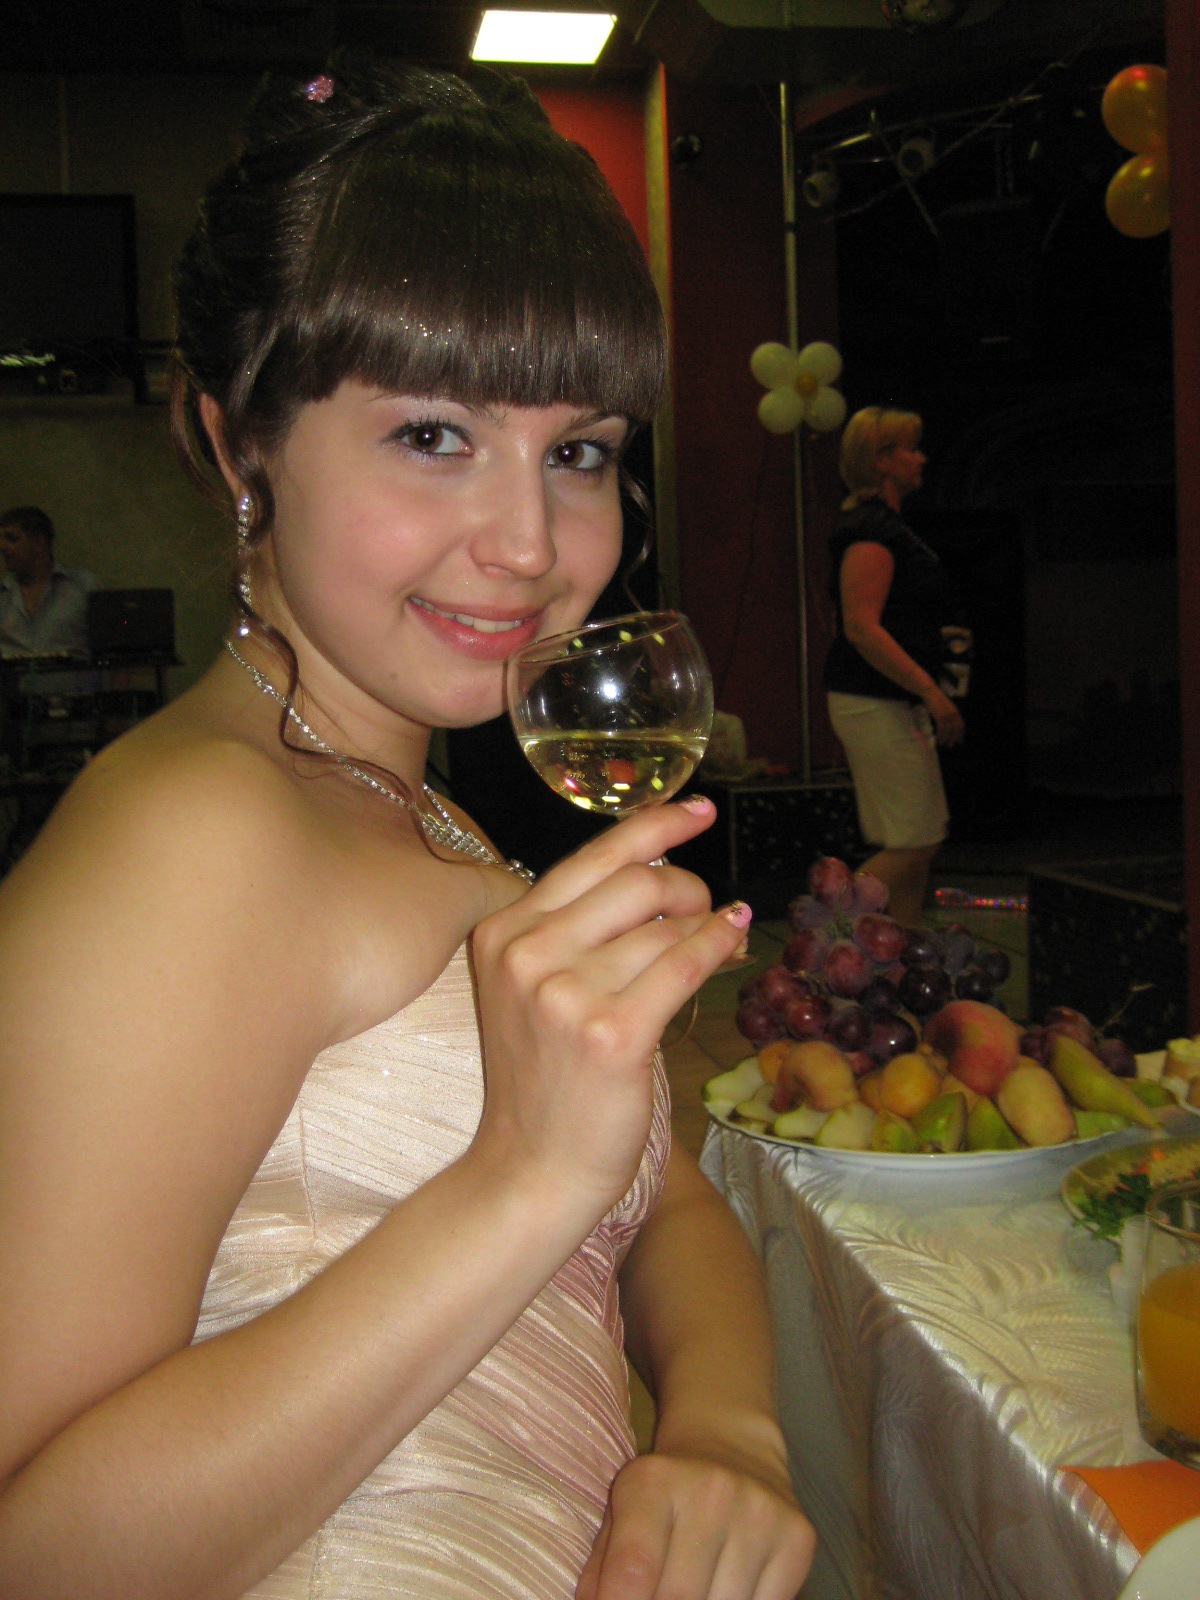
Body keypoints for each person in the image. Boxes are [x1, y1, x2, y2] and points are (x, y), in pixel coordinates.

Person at [0, 59, 815, 1600]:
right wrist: (517, 1183)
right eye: (435, 434)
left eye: (579, 450)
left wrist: (727, 1432)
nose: (531, 546)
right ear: (238, 445)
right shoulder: (191, 843)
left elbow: (660, 1200)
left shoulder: (417, 809)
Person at [823, 406, 966, 928]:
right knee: (914, 841)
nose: (922, 458)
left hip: (885, 698)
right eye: (911, 448)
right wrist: (930, 690)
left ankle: (902, 952)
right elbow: (861, 628)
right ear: (882, 460)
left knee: (919, 841)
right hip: (874, 699)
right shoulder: (871, 531)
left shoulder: (885, 527)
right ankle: (826, 930)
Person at [0, 505, 98, 658]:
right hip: (13, 673)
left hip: (71, 672)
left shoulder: (83, 586)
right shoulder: (3, 594)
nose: (2, 547)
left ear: (39, 543)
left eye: (12, 540)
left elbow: (110, 648)